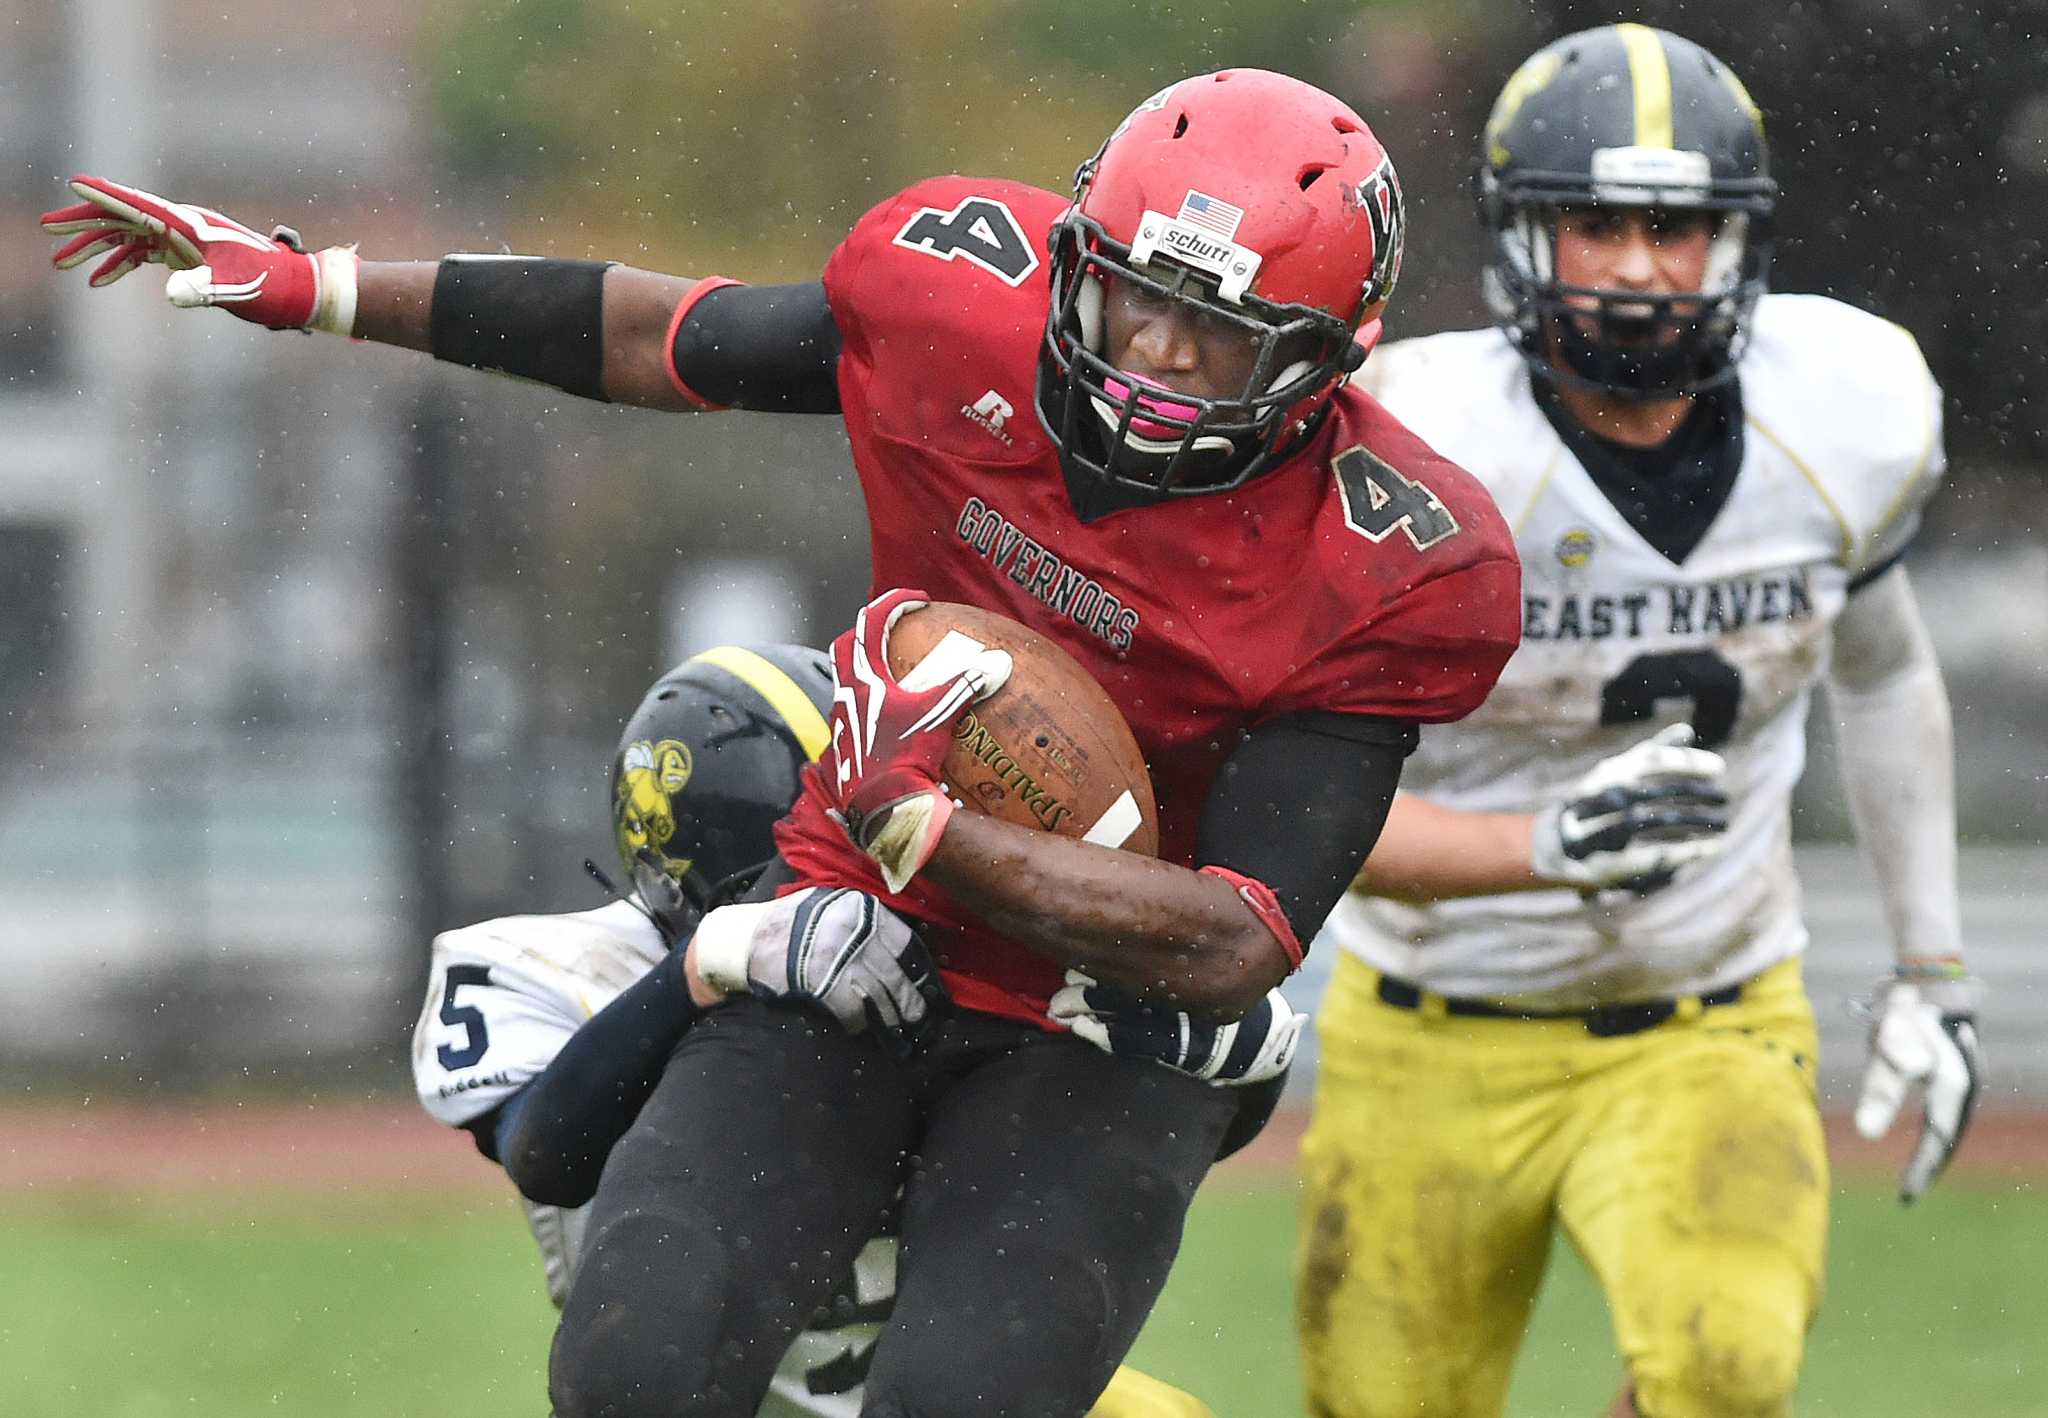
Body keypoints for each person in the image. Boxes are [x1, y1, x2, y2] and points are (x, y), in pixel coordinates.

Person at [45, 67, 1523, 1417]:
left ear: (1328, 365)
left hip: (1108, 1017)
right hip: (852, 931)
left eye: (1214, 338)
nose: (1151, 355)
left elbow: (1239, 936)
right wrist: (325, 286)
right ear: (1079, 255)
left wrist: (943, 833)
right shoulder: (954, 305)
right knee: (636, 1370)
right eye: (1136, 298)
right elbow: (654, 334)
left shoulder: (1396, 561)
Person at [1296, 25, 1984, 1418]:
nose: (1632, 266)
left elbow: (1883, 669)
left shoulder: (1847, 412)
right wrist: (1540, 845)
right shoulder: (1412, 445)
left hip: (1707, 1014)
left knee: (1728, 1367)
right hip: (1430, 1017)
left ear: (1738, 243)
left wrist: (1934, 964)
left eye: (1674, 226)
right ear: (1517, 240)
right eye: (1593, 222)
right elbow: (1306, 799)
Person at [411, 643, 1222, 1418]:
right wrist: (708, 963)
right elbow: (545, 1146)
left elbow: (1115, 1159)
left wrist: (1208, 1042)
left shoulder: (969, 973)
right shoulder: (548, 968)